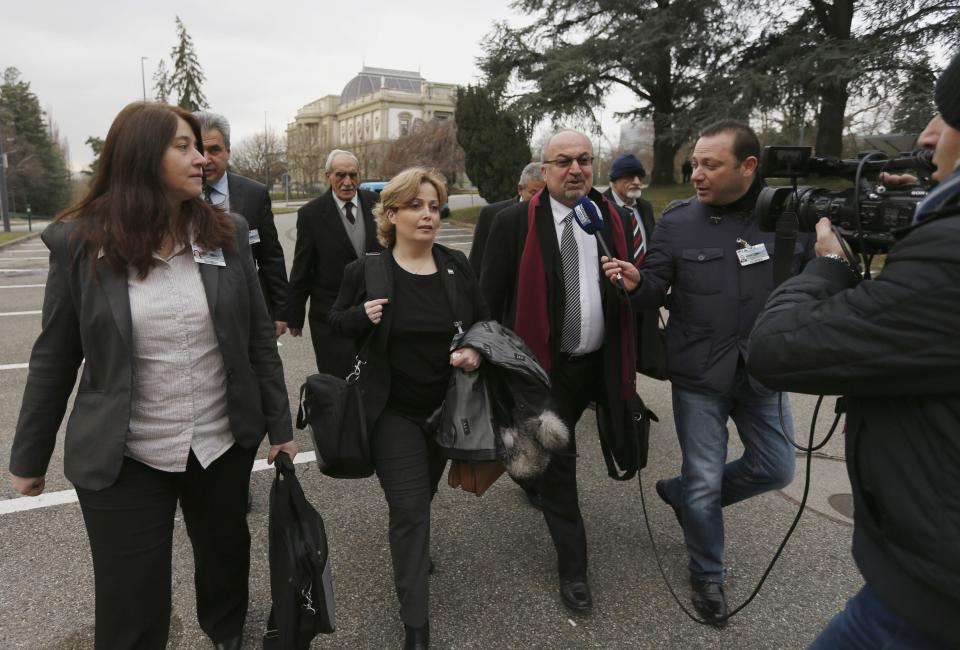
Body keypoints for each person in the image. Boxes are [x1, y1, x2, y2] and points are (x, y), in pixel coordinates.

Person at [8, 102, 297, 650]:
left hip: (218, 444)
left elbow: (258, 339)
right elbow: (54, 356)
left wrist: (279, 428)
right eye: (184, 147)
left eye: (202, 148)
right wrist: (28, 457)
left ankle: (225, 634)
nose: (201, 160)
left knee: (225, 565)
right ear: (142, 157)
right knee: (131, 603)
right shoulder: (81, 244)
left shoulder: (226, 233)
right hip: (127, 454)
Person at [748, 54, 960, 649]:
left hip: (927, 608)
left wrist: (830, 264)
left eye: (944, 115)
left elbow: (777, 349)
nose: (926, 135)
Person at [602, 119, 815, 625]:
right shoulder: (676, 223)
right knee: (704, 483)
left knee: (776, 469)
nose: (696, 173)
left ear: (748, 166)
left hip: (764, 372)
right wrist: (635, 283)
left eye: (709, 165)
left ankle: (680, 494)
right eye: (694, 163)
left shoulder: (790, 222)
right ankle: (708, 572)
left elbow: (815, 286)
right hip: (700, 374)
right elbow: (654, 288)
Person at [328, 167, 488, 649]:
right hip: (391, 412)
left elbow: (482, 325)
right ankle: (416, 624)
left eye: (435, 206)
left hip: (445, 411)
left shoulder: (456, 266)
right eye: (416, 206)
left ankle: (415, 552)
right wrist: (360, 316)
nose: (428, 215)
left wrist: (475, 351)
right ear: (391, 213)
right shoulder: (367, 271)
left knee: (424, 496)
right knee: (410, 508)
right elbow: (335, 321)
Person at [481, 130, 638, 613]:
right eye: (564, 161)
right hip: (548, 370)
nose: (576, 170)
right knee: (560, 467)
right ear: (544, 170)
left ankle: (531, 476)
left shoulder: (611, 218)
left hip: (602, 360)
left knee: (621, 439)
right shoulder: (514, 223)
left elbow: (633, 283)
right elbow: (488, 298)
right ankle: (574, 570)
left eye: (585, 161)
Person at [194, 110, 290, 337]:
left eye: (215, 150)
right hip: (196, 310)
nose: (206, 158)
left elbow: (271, 256)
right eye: (200, 150)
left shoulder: (253, 194)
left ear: (228, 151)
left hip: (245, 305)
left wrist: (280, 310)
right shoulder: (176, 195)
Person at [288, 149, 383, 376]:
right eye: (340, 175)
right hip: (329, 315)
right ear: (327, 175)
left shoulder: (377, 204)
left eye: (353, 175)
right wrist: (294, 315)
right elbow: (302, 267)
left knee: (373, 381)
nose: (348, 182)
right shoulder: (310, 214)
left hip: (375, 312)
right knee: (337, 383)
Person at [603, 154, 663, 378]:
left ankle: (632, 391)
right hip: (615, 292)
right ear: (614, 180)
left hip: (643, 288)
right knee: (616, 350)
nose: (637, 181)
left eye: (639, 176)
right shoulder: (600, 207)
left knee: (642, 347)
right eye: (630, 176)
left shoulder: (644, 208)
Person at [468, 161, 546, 276]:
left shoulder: (552, 215)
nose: (538, 200)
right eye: (533, 193)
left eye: (543, 194)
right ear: (520, 189)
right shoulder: (492, 214)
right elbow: (476, 262)